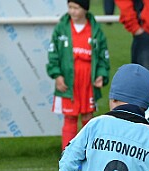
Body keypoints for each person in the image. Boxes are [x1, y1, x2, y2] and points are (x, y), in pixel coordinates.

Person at [47, 0, 110, 149]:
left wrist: (101, 74)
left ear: (85, 9)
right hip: (69, 81)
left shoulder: (95, 29)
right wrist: (57, 75)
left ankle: (89, 152)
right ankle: (67, 153)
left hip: (87, 81)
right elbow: (53, 54)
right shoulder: (61, 28)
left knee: (88, 117)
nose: (72, 11)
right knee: (70, 117)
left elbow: (103, 56)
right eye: (70, 7)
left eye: (76, 8)